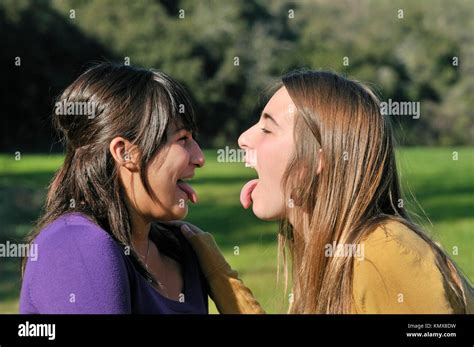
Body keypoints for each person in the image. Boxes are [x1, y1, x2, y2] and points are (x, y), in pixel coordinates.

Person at [180, 70, 474, 314]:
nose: (244, 138)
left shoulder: (382, 254)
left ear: (319, 159)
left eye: (268, 130)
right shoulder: (340, 253)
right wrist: (218, 273)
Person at [20, 63, 209, 314]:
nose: (199, 157)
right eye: (182, 139)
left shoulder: (182, 248)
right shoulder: (76, 246)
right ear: (125, 153)